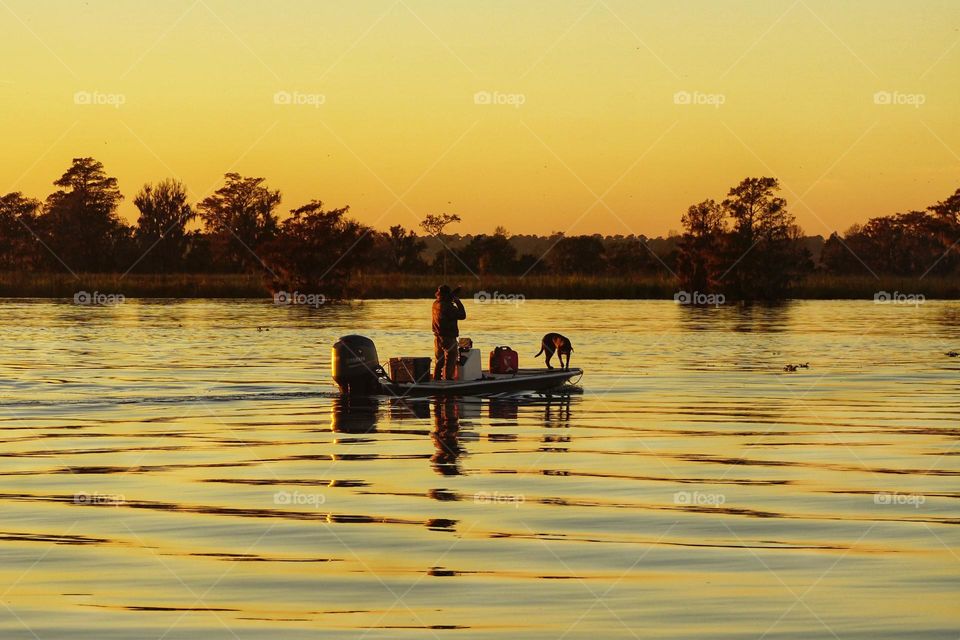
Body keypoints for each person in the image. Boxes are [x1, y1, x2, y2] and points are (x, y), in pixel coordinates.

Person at [432, 284, 466, 381]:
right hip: (448, 337)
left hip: (437, 337)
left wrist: (451, 298)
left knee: (439, 360)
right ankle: (448, 380)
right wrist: (458, 302)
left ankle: (436, 379)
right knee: (451, 359)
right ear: (447, 295)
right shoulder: (448, 306)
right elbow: (462, 315)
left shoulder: (435, 303)